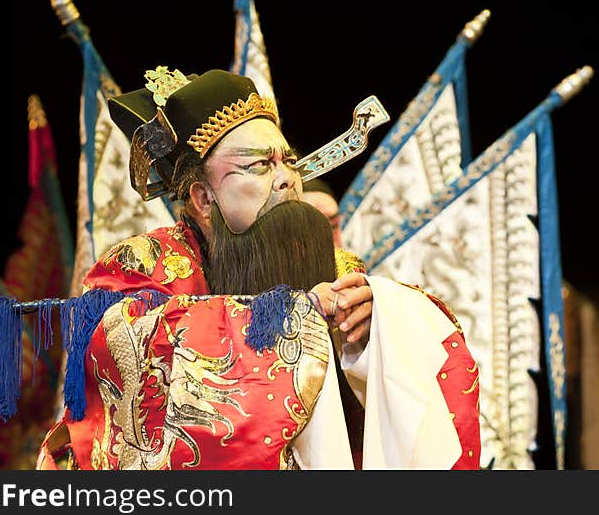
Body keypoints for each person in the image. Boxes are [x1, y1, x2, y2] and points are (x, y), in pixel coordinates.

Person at [37, 68, 480, 470]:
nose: (288, 178)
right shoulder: (142, 266)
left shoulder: (338, 268)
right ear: (203, 199)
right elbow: (124, 355)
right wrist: (295, 318)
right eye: (260, 166)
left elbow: (429, 353)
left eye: (287, 160)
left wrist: (372, 333)